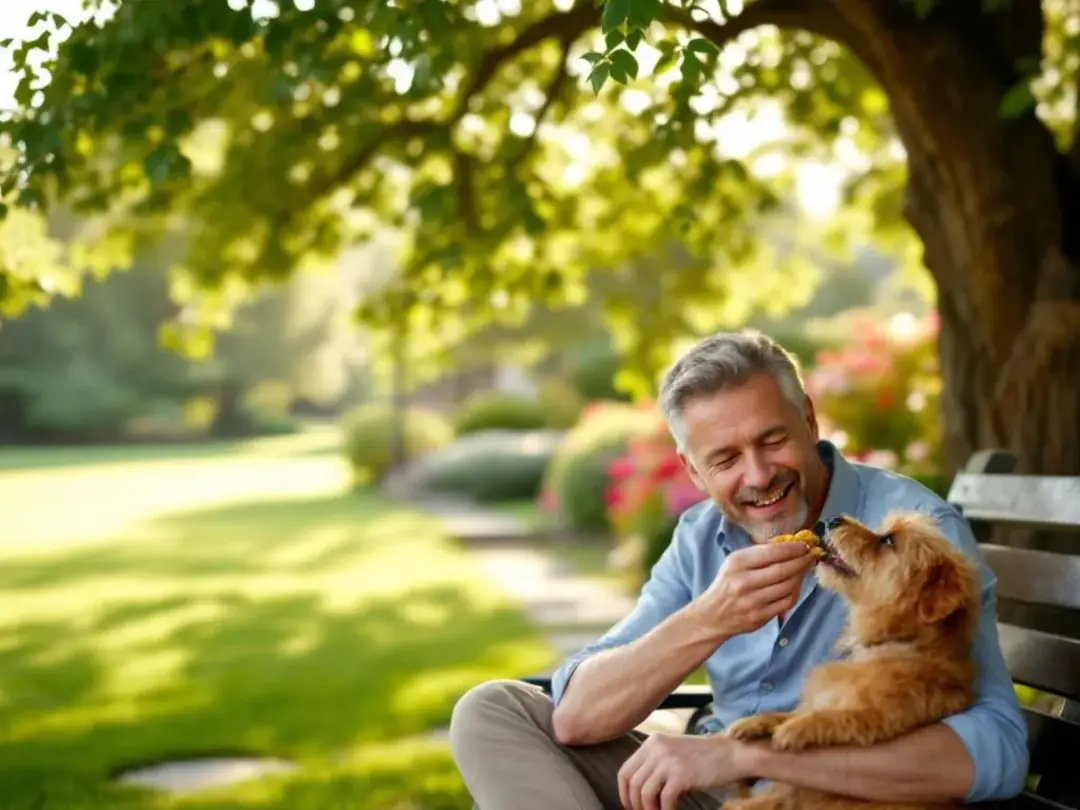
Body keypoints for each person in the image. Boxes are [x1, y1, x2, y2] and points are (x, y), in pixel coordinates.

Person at [448, 330, 1028, 810]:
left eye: (772, 440)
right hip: (714, 787)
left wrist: (752, 755)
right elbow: (576, 717)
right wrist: (709, 618)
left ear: (808, 419)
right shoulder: (700, 538)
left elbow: (997, 752)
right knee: (491, 711)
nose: (757, 477)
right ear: (693, 472)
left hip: (828, 797)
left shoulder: (914, 533)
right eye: (724, 459)